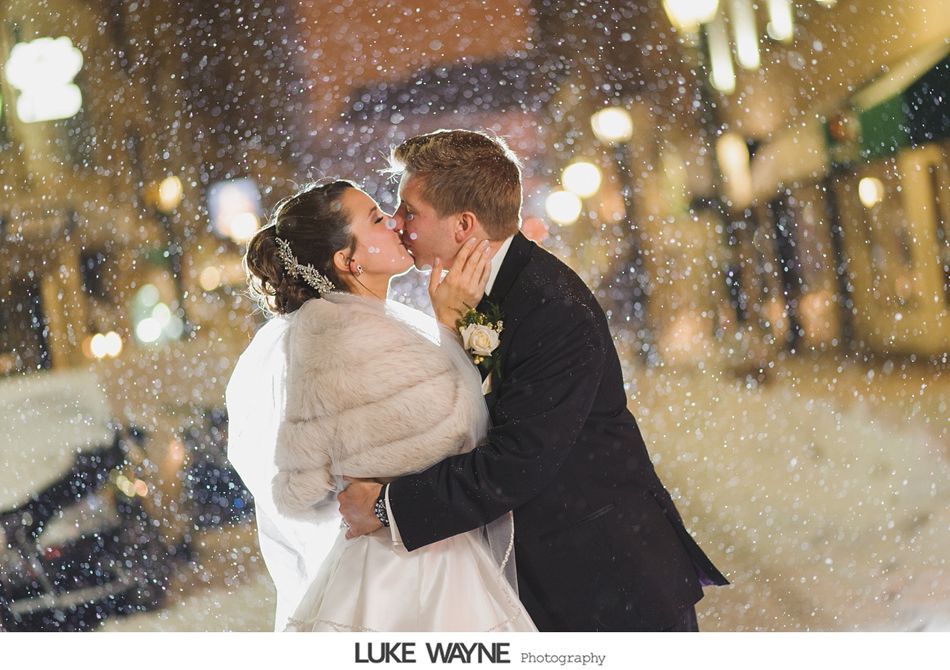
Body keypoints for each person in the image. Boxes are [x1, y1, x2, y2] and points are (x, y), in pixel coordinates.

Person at [338, 129, 729, 632]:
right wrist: (452, 331)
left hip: (607, 583)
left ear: (463, 225)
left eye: (409, 211)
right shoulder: (481, 292)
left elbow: (517, 461)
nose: (397, 221)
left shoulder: (552, 307)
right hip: (551, 580)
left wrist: (387, 507)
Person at [226, 179, 536, 632]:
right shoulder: (347, 339)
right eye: (375, 218)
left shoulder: (353, 327)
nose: (394, 222)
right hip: (411, 566)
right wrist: (454, 324)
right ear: (347, 260)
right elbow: (459, 432)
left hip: (406, 544)